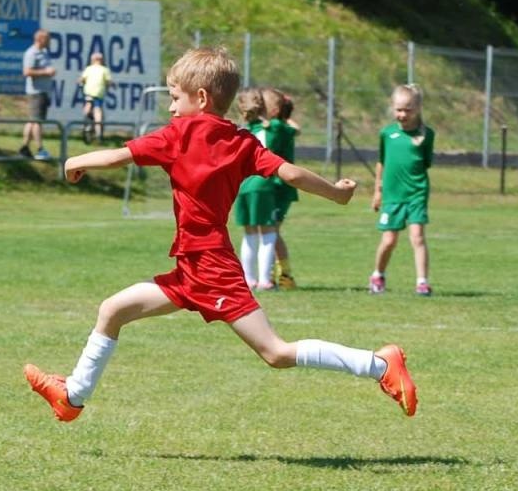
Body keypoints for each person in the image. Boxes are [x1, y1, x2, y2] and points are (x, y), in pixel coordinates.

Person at [23, 46, 417, 423]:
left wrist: (74, 161)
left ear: (200, 98)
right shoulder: (243, 141)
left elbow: (116, 157)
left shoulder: (178, 135)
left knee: (275, 352)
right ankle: (72, 396)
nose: (170, 107)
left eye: (174, 98)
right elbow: (291, 174)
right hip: (192, 266)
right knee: (112, 310)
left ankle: (379, 365)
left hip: (211, 266)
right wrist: (336, 192)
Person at [369, 84, 435, 296]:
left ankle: (422, 282)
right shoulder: (387, 134)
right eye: (399, 109)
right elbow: (381, 162)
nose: (403, 114)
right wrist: (378, 191)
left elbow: (425, 163)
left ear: (418, 108)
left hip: (417, 193)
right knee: (389, 240)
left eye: (408, 110)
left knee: (417, 237)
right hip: (392, 195)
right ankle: (378, 275)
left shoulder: (427, 135)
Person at [230, 88, 277, 289]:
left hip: (242, 186)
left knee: (249, 233)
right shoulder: (271, 129)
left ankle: (248, 279)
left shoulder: (239, 132)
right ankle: (265, 280)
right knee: (268, 231)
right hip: (262, 185)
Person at [263, 88, 300, 289]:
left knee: (272, 232)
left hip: (278, 188)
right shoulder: (282, 125)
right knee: (271, 231)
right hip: (281, 188)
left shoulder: (276, 127)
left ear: (275, 109)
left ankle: (284, 275)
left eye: (263, 104)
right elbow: (296, 128)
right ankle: (273, 273)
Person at [21, 29, 55, 160]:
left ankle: (24, 147)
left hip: (43, 92)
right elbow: (27, 72)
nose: (49, 41)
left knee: (32, 121)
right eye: (47, 39)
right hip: (36, 93)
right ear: (40, 39)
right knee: (37, 121)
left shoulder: (44, 52)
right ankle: (40, 149)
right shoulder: (31, 53)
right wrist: (46, 72)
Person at [79, 50, 111, 143]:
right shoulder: (104, 70)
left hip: (88, 92)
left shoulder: (89, 69)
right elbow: (108, 82)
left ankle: (84, 122)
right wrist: (108, 87)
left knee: (88, 105)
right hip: (98, 93)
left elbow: (81, 79)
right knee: (98, 111)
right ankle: (98, 132)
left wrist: (82, 83)